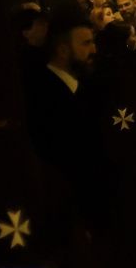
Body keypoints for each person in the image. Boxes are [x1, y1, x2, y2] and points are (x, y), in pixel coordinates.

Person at [23, 9, 95, 183]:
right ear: (63, 50)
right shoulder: (43, 97)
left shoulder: (83, 87)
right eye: (86, 44)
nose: (94, 50)